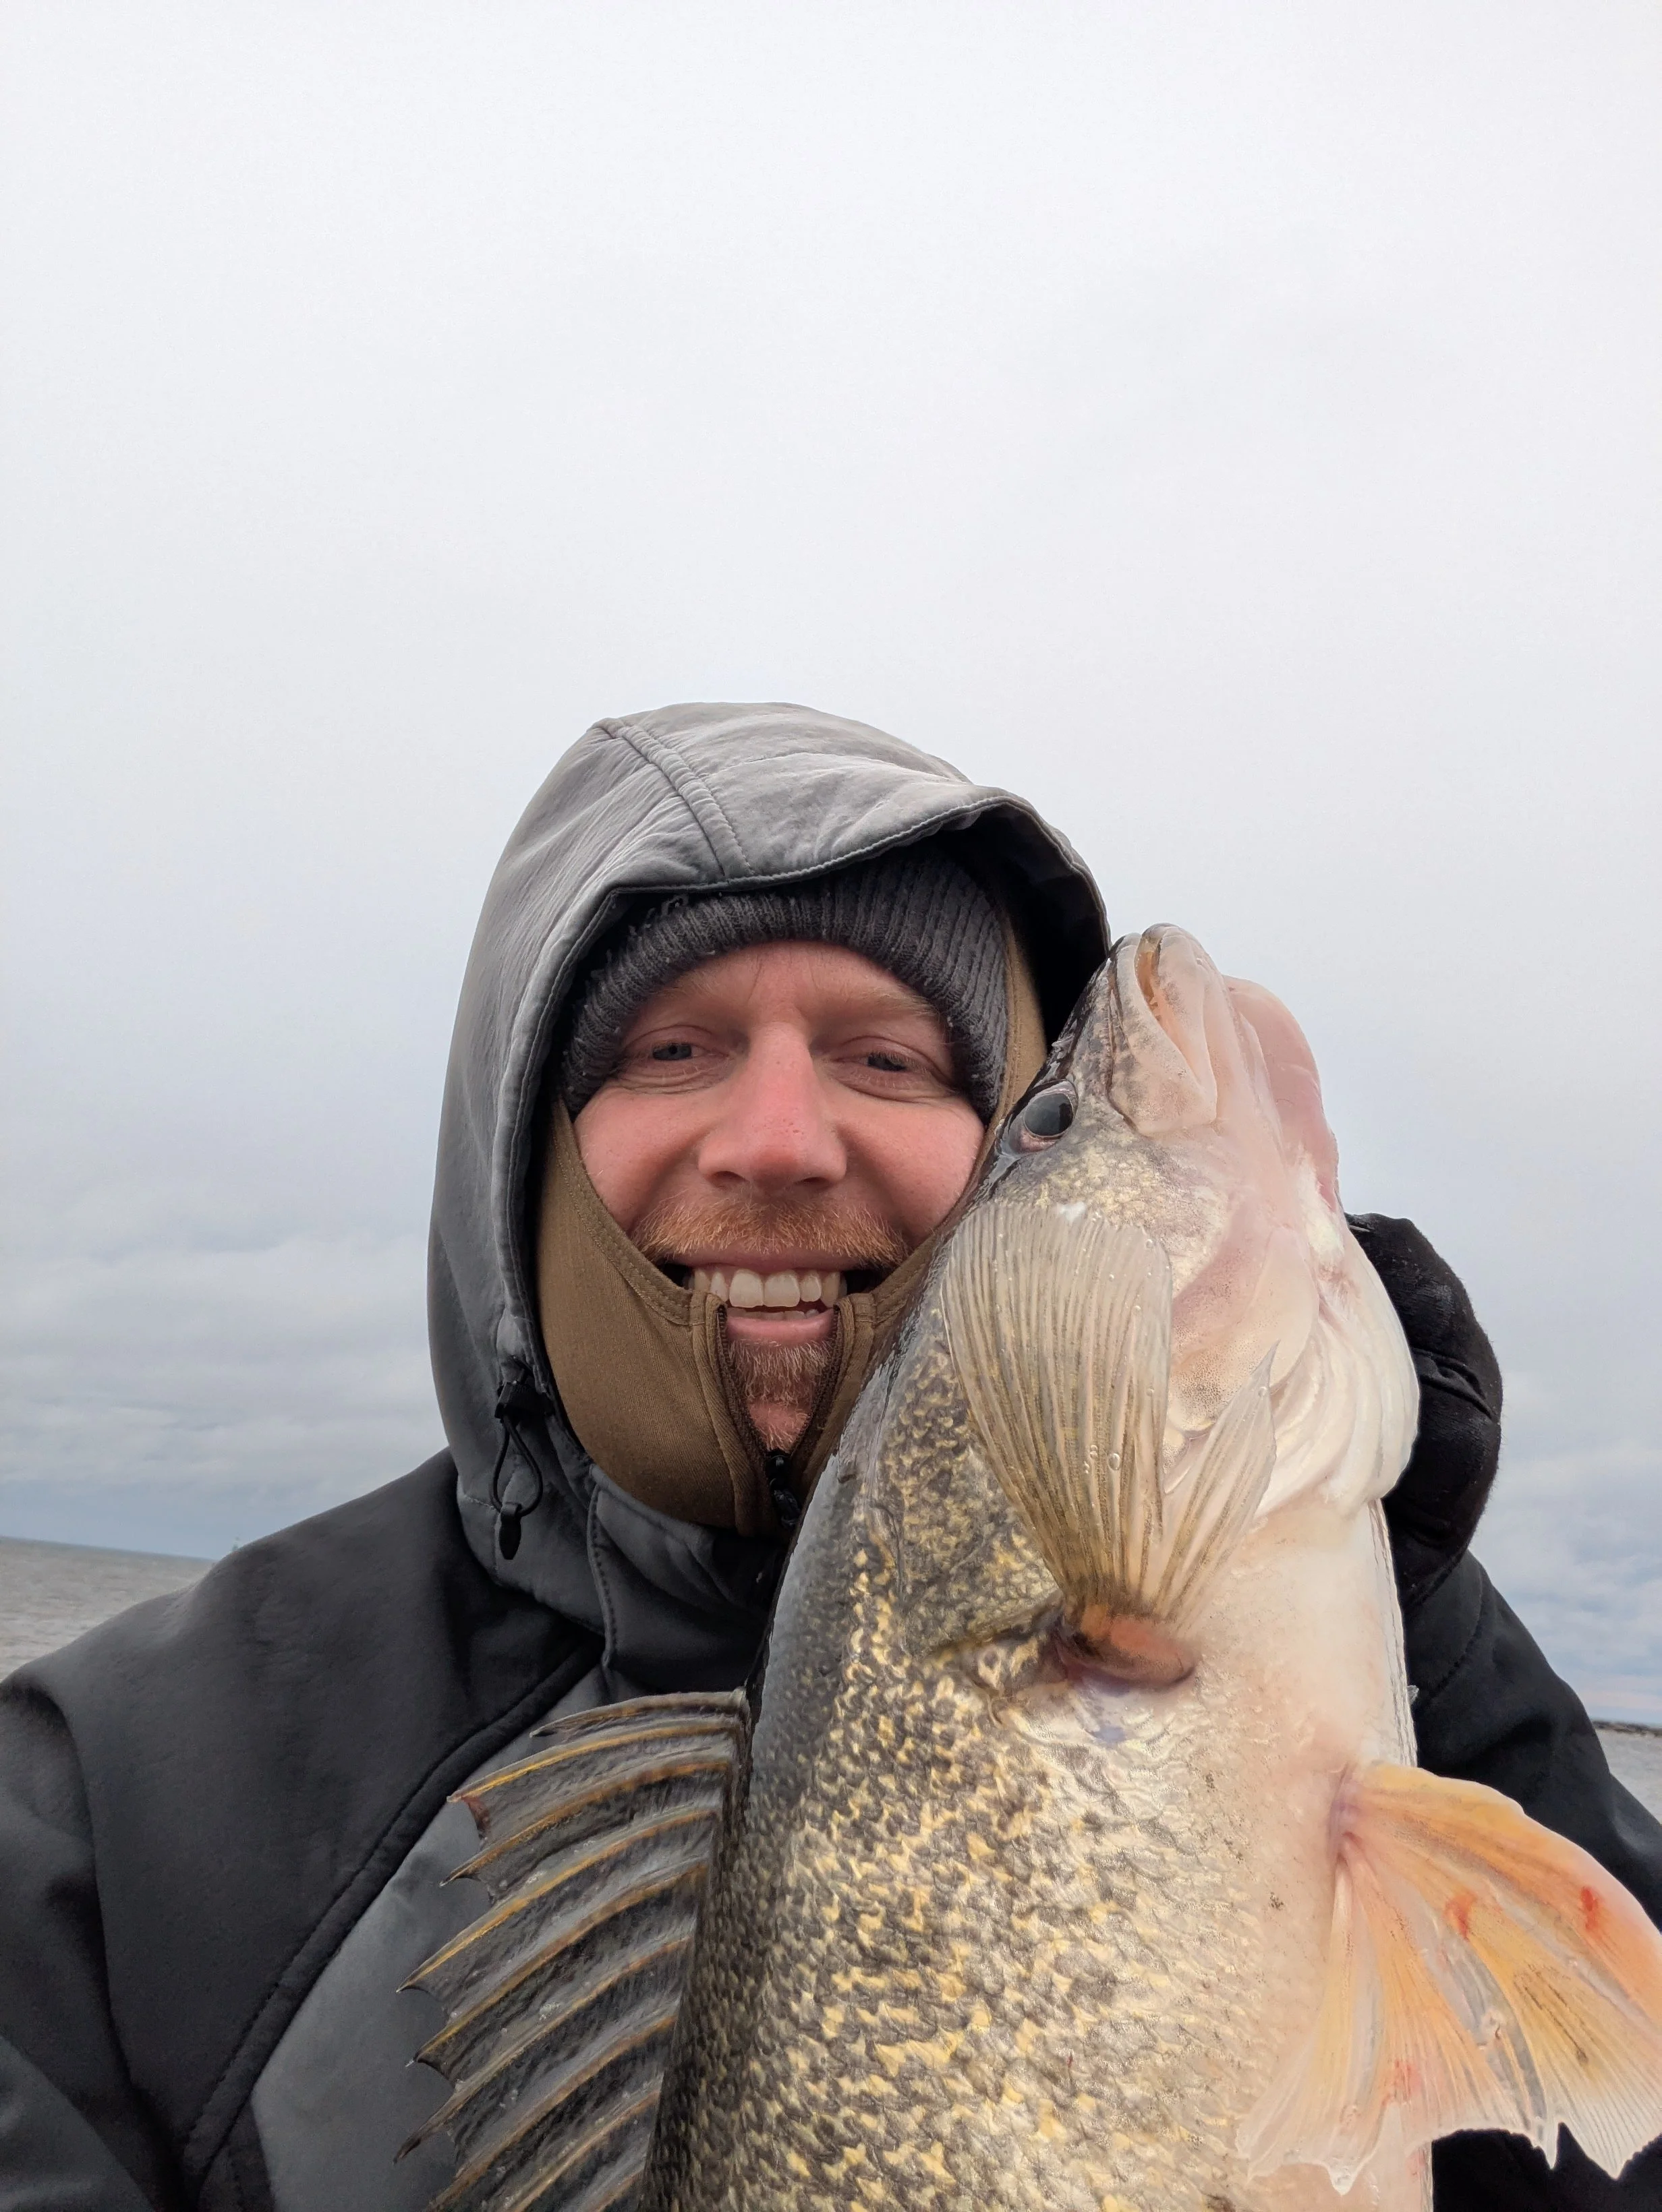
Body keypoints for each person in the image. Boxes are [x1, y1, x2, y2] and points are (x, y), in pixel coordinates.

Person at [0, 701, 1656, 2212]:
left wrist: (1434, 1647)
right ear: (520, 1150)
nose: (780, 1138)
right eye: (672, 1049)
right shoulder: (91, 1806)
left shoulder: (1389, 1672)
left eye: (892, 1058)